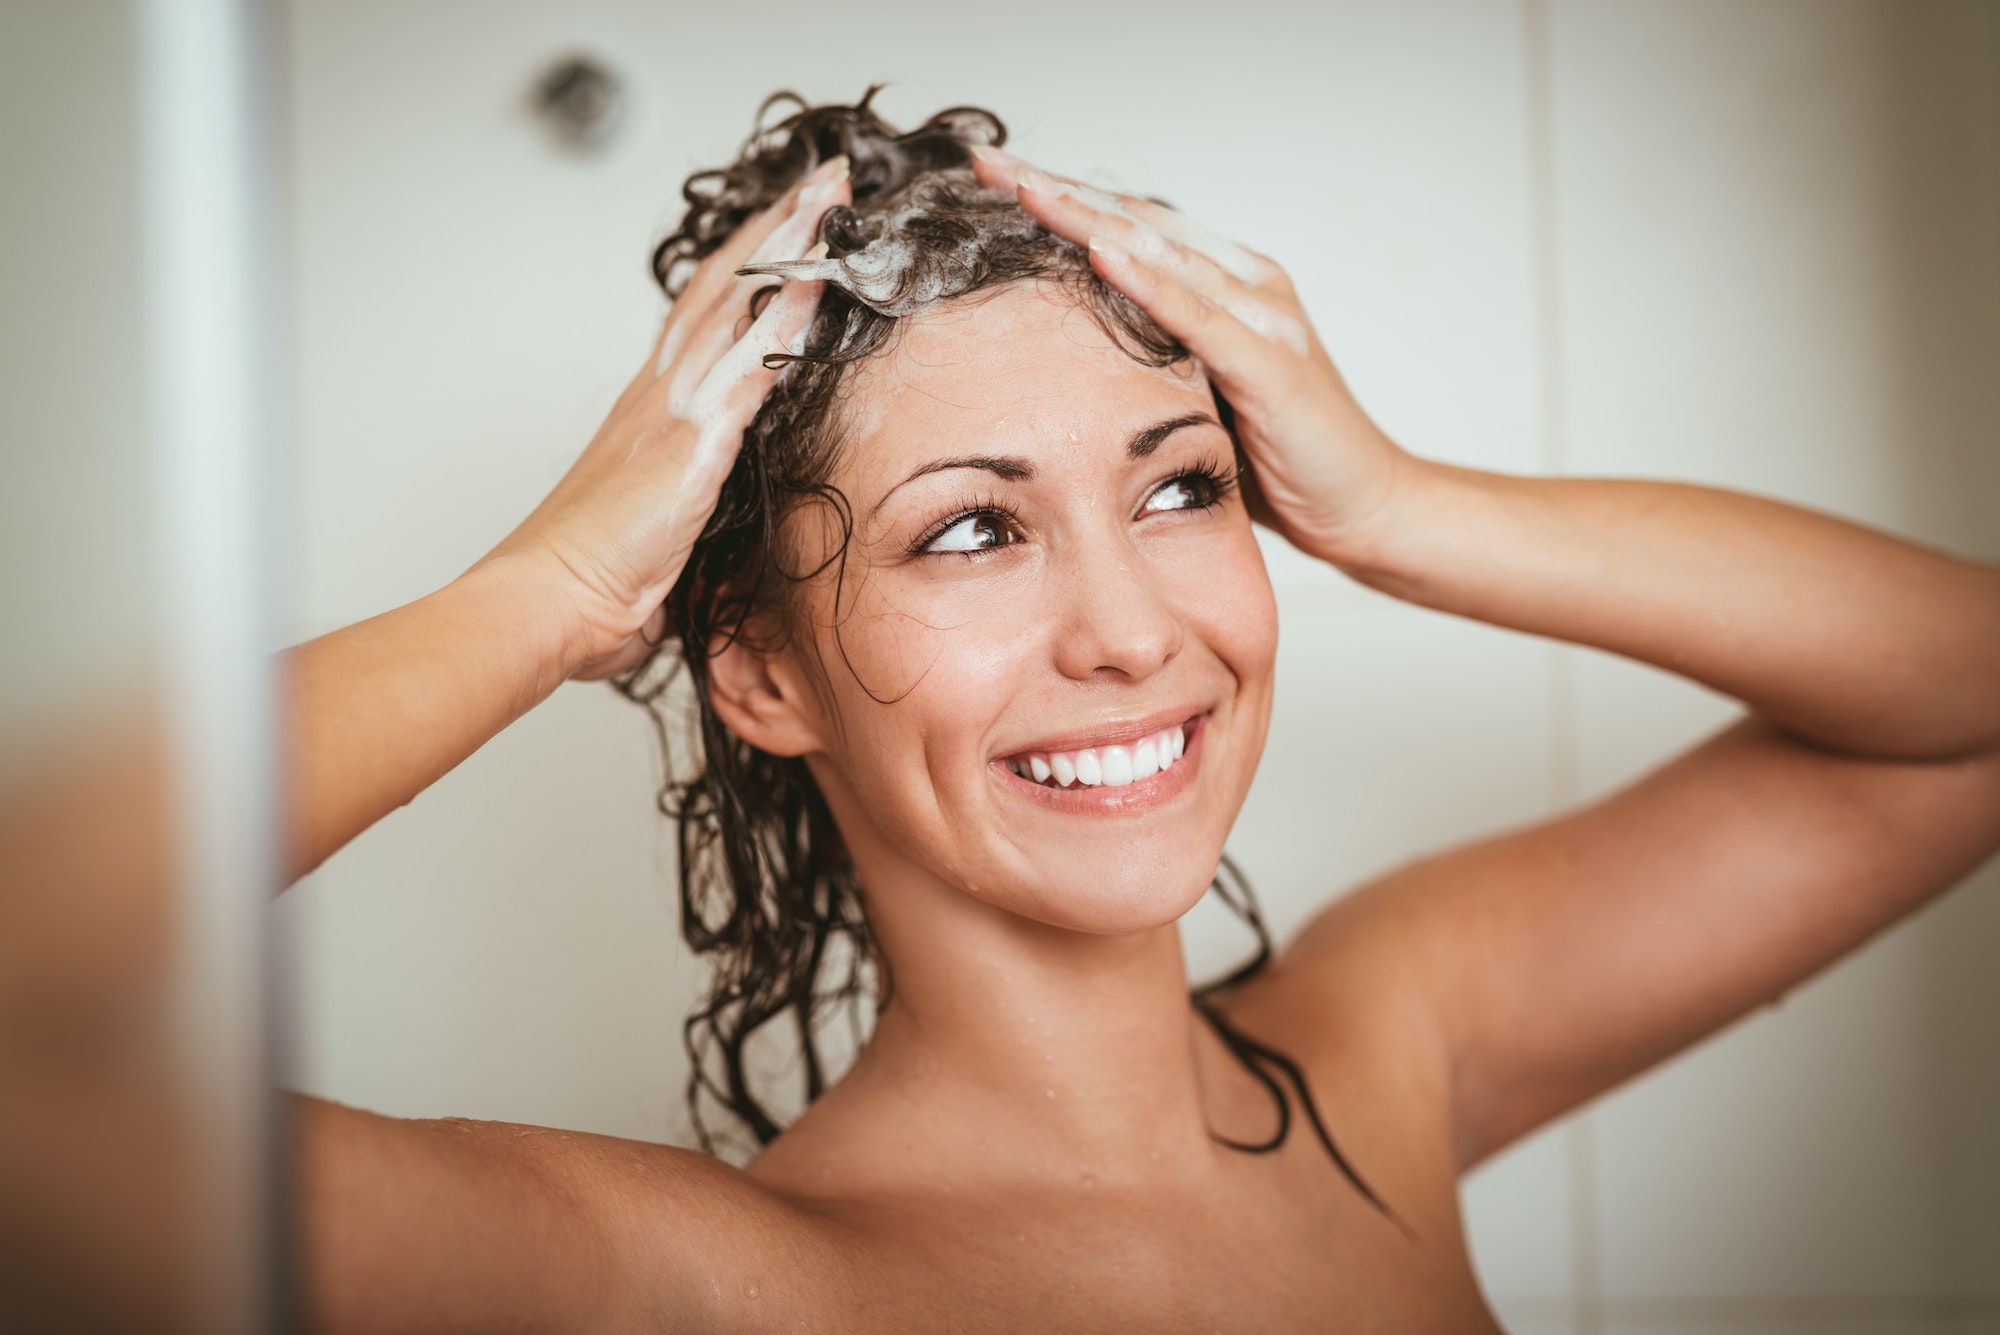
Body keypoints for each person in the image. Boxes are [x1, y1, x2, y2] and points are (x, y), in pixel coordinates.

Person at [286, 92, 2000, 1332]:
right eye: (973, 527)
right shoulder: (711, 1288)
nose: (1128, 632)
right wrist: (551, 600)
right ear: (761, 674)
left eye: (1181, 492)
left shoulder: (1390, 1048)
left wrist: (1401, 508)